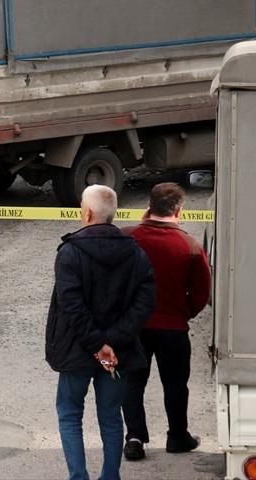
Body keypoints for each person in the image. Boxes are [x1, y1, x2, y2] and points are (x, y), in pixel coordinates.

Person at [46, 184, 155, 480]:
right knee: (110, 416)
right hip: (117, 354)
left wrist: (96, 344)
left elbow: (71, 304)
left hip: (76, 351)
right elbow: (144, 302)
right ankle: (110, 476)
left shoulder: (70, 253)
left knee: (70, 413)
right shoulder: (135, 253)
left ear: (88, 212)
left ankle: (78, 476)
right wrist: (113, 341)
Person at [120, 182, 211, 462]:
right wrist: (184, 313)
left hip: (135, 326)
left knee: (133, 381)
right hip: (173, 328)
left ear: (149, 207)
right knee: (175, 383)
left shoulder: (128, 238)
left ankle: (134, 438)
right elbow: (201, 293)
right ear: (180, 210)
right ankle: (177, 436)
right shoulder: (191, 246)